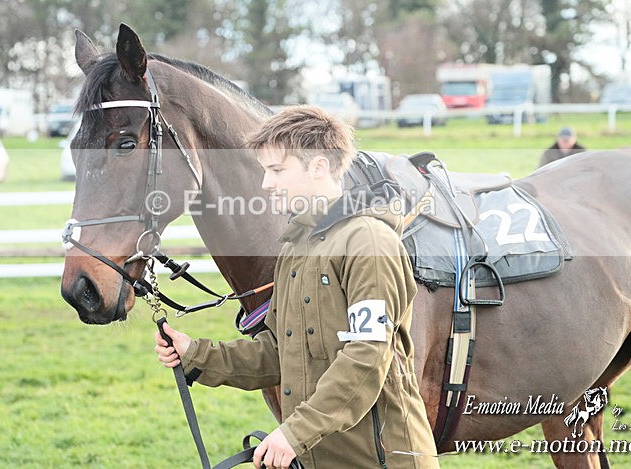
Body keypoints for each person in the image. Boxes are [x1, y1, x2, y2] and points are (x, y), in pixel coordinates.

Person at [155, 106, 439, 469]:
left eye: (277, 170)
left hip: (383, 460)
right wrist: (196, 354)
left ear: (319, 167)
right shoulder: (295, 249)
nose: (266, 184)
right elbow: (278, 351)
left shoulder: (369, 242)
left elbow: (368, 356)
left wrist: (294, 432)